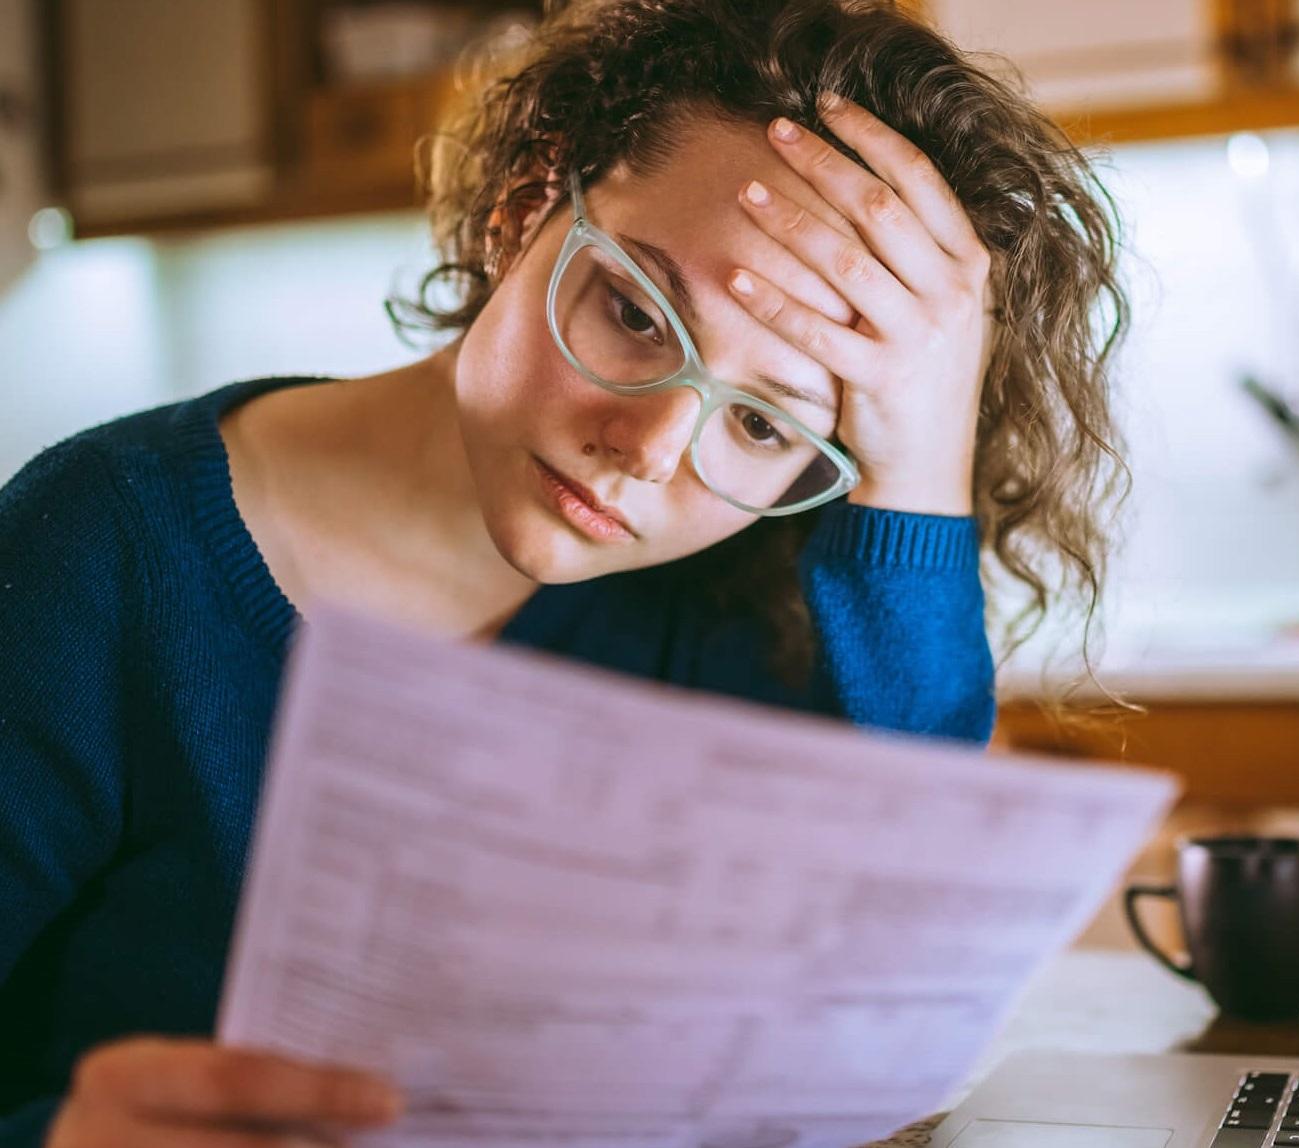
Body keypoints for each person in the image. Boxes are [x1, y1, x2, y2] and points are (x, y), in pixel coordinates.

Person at [0, 0, 1126, 1144]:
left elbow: (900, 986)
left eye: (761, 428)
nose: (645, 451)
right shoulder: (95, 551)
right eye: (634, 312)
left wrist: (920, 474)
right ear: (525, 203)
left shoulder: (732, 612)